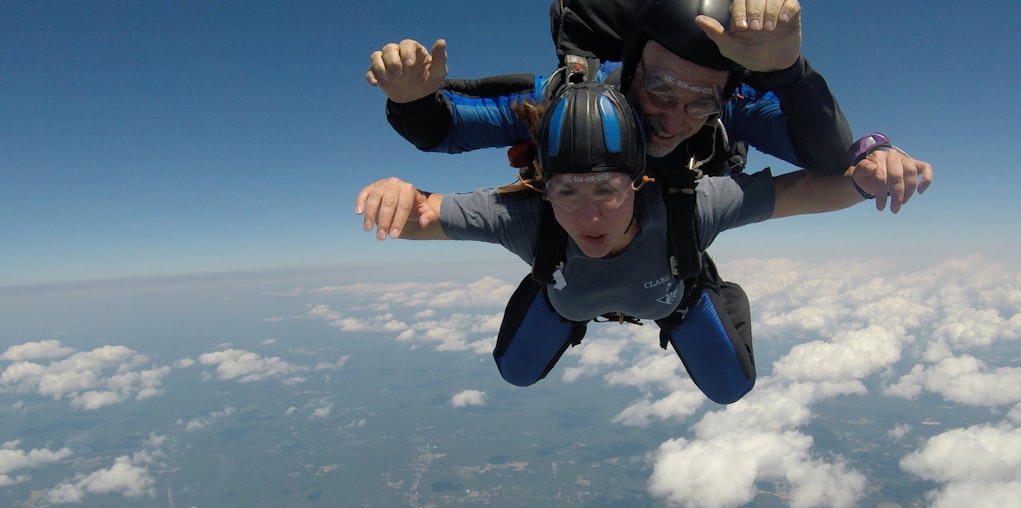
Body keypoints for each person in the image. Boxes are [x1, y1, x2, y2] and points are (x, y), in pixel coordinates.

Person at [354, 83, 932, 403]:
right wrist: (397, 194)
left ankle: (701, 287)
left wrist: (868, 171)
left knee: (732, 388)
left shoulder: (690, 206)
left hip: (671, 296)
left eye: (607, 188)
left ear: (640, 180)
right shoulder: (528, 218)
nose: (588, 212)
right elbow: (419, 213)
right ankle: (558, 294)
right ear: (541, 186)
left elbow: (805, 189)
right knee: (516, 374)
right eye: (566, 191)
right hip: (575, 295)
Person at [366, 0, 929, 209]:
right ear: (629, 70)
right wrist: (414, 100)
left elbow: (827, 157)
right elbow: (450, 129)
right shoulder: (575, 100)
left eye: (699, 102)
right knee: (521, 363)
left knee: (731, 379)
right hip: (571, 249)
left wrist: (789, 71)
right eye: (659, 91)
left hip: (675, 251)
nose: (673, 117)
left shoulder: (728, 106)